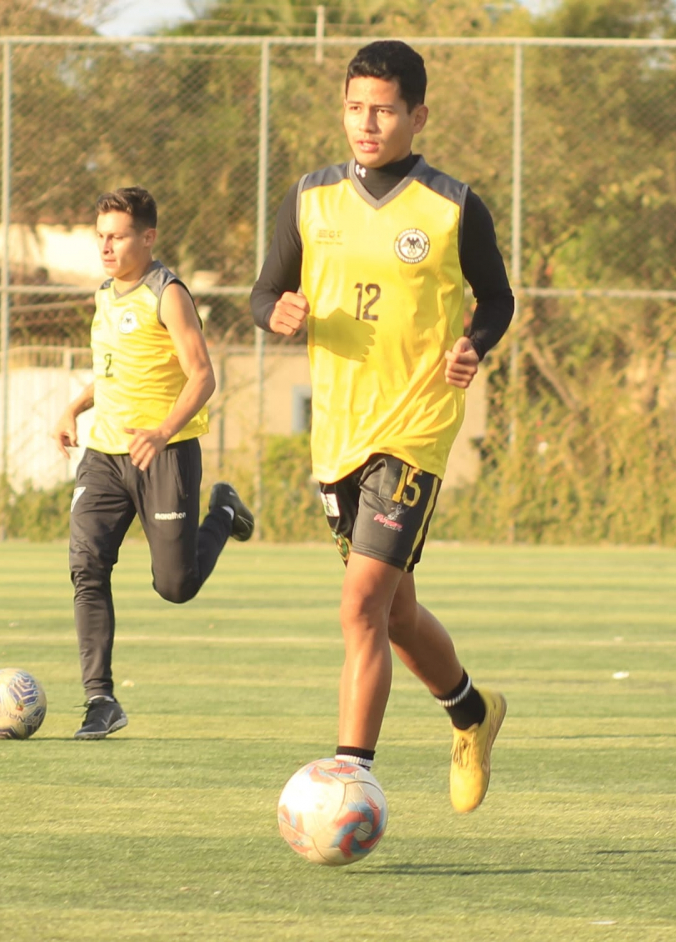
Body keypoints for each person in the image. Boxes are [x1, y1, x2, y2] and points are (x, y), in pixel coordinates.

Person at [251, 41, 514, 812]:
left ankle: (350, 778)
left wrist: (475, 344)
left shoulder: (452, 206)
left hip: (415, 429)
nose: (367, 123)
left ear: (416, 115)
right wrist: (278, 314)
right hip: (337, 436)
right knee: (394, 614)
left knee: (360, 603)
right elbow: (263, 292)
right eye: (356, 107)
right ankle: (471, 711)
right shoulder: (309, 198)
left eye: (385, 109)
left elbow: (497, 299)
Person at [54, 186, 254, 740]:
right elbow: (118, 371)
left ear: (148, 236)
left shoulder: (168, 293)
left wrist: (164, 432)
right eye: (100, 237)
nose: (106, 247)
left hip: (165, 454)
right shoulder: (103, 295)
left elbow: (202, 375)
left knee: (176, 586)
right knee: (86, 565)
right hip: (105, 457)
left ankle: (223, 512)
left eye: (117, 236)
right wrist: (74, 406)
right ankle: (100, 700)